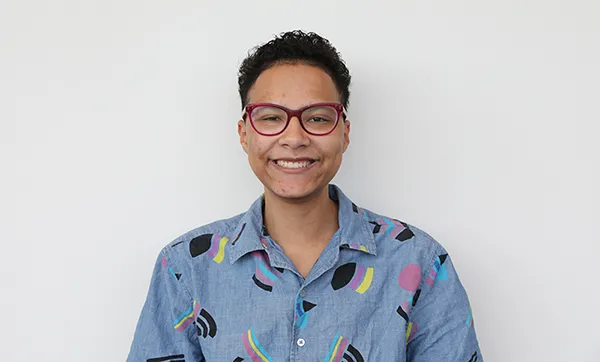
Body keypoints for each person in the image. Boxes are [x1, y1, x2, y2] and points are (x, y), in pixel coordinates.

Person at [126, 30, 483, 362]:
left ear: (344, 132)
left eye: (316, 118)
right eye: (270, 118)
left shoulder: (419, 262)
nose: (294, 138)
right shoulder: (187, 267)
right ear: (244, 134)